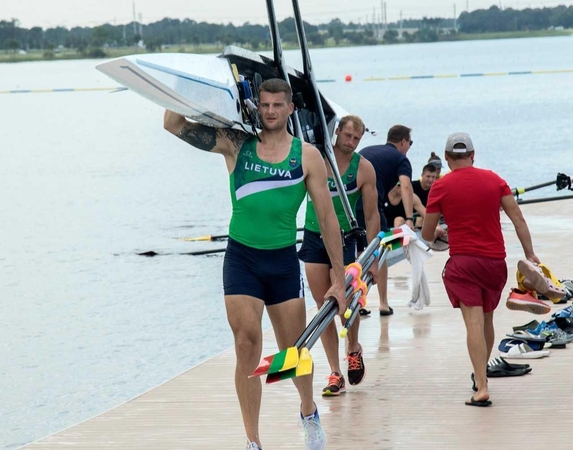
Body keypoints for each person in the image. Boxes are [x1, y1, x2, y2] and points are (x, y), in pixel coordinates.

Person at [164, 78, 347, 450]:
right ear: (256, 106)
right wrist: (191, 87)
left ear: (290, 108)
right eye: (264, 105)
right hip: (242, 258)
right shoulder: (237, 144)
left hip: (281, 262)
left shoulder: (308, 155)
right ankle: (253, 441)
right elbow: (173, 124)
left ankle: (308, 411)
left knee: (293, 353)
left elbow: (327, 220)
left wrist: (340, 280)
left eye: (278, 105)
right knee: (246, 343)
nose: (270, 111)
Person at [422, 132, 540, 407]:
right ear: (473, 155)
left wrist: (442, 229)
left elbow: (428, 233)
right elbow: (518, 218)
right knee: (487, 321)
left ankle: (482, 386)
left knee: (472, 323)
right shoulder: (495, 180)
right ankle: (480, 375)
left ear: (448, 158)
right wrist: (530, 254)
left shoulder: (440, 186)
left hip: (464, 263)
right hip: (495, 263)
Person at [298, 115, 380, 396]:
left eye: (356, 139)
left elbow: (371, 215)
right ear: (337, 133)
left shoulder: (363, 169)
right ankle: (334, 372)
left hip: (344, 239)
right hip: (312, 236)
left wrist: (374, 259)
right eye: (347, 136)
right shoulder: (316, 158)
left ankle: (353, 348)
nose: (351, 142)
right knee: (323, 306)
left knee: (344, 305)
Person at [356, 125, 414, 316]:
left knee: (357, 254)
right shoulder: (400, 159)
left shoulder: (367, 151)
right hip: (370, 208)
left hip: (349, 206)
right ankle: (382, 303)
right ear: (403, 142)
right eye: (410, 143)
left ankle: (357, 302)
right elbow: (405, 186)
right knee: (380, 253)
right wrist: (409, 218)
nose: (409, 147)